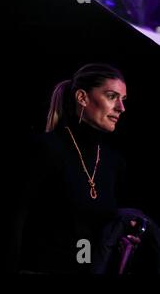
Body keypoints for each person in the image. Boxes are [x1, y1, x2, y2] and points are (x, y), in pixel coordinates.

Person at [16, 63, 144, 273]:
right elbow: (14, 221)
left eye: (123, 99)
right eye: (112, 96)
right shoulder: (45, 149)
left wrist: (123, 237)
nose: (121, 108)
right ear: (82, 98)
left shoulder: (114, 162)